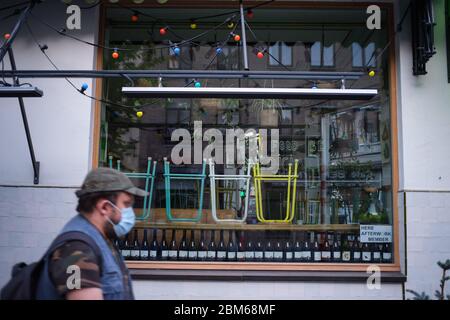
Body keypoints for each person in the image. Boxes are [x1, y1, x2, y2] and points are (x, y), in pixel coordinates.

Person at [36, 167, 148, 300]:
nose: (131, 212)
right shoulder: (76, 249)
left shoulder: (100, 239)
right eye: (126, 204)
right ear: (104, 207)